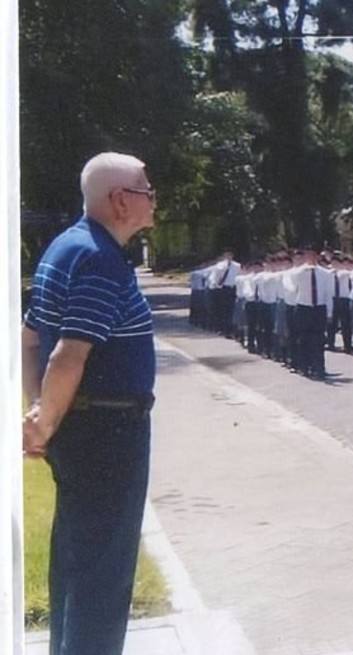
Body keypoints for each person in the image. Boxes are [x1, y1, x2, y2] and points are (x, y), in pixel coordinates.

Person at [21, 152, 158, 655]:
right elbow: (67, 353)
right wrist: (44, 419)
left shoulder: (66, 248)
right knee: (103, 577)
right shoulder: (99, 258)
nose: (153, 198)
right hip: (107, 435)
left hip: (85, 430)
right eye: (145, 190)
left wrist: (43, 412)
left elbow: (28, 339)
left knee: (78, 565)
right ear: (120, 200)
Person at [289, 248, 333, 379]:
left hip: (319, 308)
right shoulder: (297, 272)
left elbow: (328, 293)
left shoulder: (325, 273)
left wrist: (329, 312)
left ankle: (319, 367)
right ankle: (304, 366)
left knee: (319, 340)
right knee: (303, 339)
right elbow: (293, 289)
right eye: (307, 255)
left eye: (313, 255)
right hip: (303, 307)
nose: (310, 258)